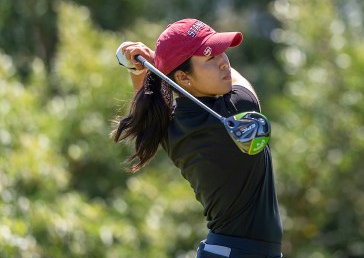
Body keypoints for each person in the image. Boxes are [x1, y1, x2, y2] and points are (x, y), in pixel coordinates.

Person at [113, 18, 283, 258]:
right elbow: (239, 81)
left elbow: (147, 99)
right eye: (210, 57)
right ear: (182, 78)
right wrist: (154, 61)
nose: (224, 62)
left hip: (225, 251)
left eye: (222, 52)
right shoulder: (236, 109)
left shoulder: (170, 126)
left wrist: (142, 68)